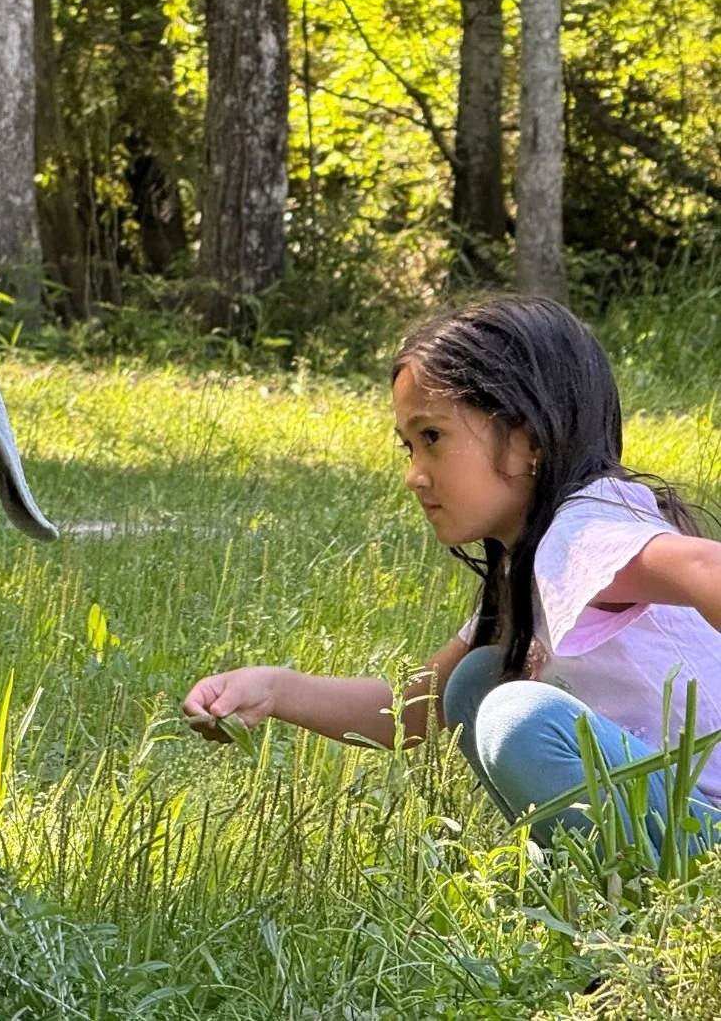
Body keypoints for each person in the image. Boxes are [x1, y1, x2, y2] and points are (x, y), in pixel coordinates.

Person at [183, 296, 721, 847]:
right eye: (408, 447)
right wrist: (274, 689)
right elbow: (410, 712)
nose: (414, 475)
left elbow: (707, 567)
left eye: (432, 438)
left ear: (526, 440)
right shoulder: (530, 560)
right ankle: (596, 876)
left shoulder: (578, 536)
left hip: (704, 823)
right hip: (677, 815)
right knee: (475, 680)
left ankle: (624, 882)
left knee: (518, 716)